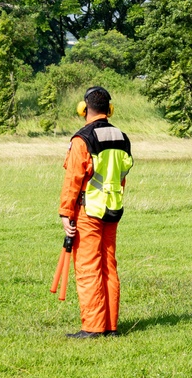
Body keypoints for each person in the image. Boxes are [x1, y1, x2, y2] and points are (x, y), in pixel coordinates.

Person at [58, 86, 134, 339]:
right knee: (108, 266)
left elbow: (73, 179)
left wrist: (65, 213)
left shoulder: (82, 139)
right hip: (113, 209)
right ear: (109, 110)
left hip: (88, 210)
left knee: (89, 267)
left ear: (84, 108)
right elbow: (122, 176)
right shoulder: (122, 138)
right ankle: (111, 326)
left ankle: (92, 327)